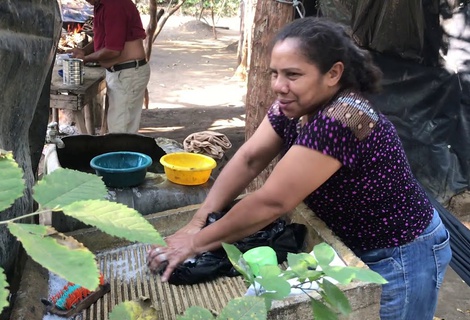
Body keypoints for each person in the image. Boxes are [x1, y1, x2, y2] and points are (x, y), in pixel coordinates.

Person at [146, 17, 452, 319]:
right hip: (350, 246)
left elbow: (273, 201)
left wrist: (194, 242)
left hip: (400, 253)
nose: (279, 86)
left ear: (333, 73)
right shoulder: (293, 106)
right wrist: (199, 220)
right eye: (275, 73)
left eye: (293, 74)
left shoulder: (343, 119)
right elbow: (250, 158)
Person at [71, 0, 150, 134]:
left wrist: (85, 59)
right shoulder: (102, 5)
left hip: (128, 74)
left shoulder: (114, 5)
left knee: (120, 131)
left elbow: (113, 50)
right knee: (123, 129)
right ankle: (124, 153)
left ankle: (122, 154)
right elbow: (104, 35)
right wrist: (84, 51)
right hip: (124, 73)